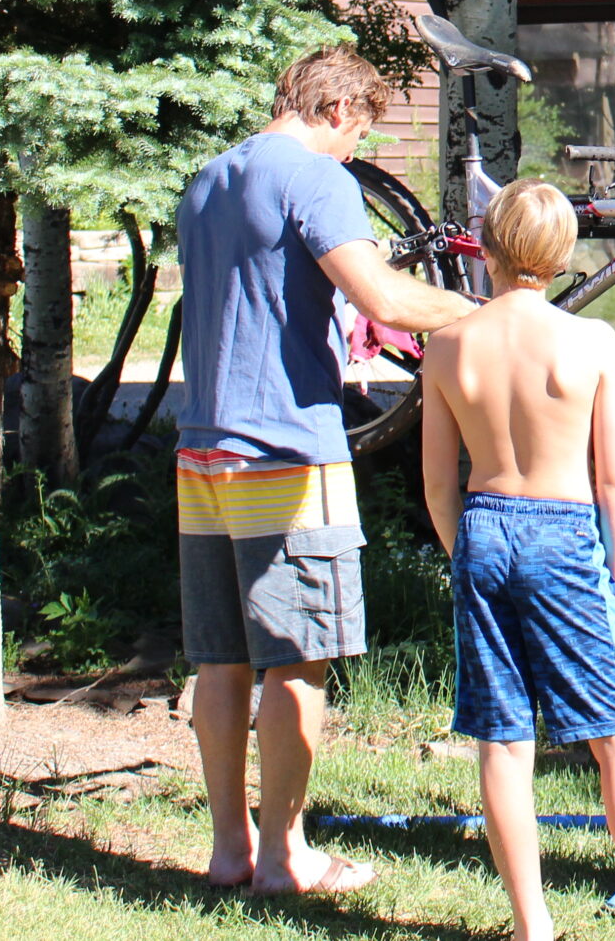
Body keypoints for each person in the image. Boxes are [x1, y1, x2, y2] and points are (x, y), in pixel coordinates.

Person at [174, 46, 477, 896]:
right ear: (340, 110)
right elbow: (381, 296)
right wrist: (483, 309)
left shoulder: (206, 181)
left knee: (222, 661)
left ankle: (229, 847)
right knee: (298, 660)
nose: (356, 155)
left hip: (201, 450)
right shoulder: (314, 174)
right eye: (360, 136)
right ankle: (286, 855)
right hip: (287, 454)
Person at [420, 178, 615, 941]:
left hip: (485, 524)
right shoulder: (589, 341)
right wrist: (614, 582)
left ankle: (532, 925)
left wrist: (468, 555)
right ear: (561, 258)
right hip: (563, 532)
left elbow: (436, 483)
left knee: (505, 736)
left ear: (487, 247)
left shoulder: (449, 343)